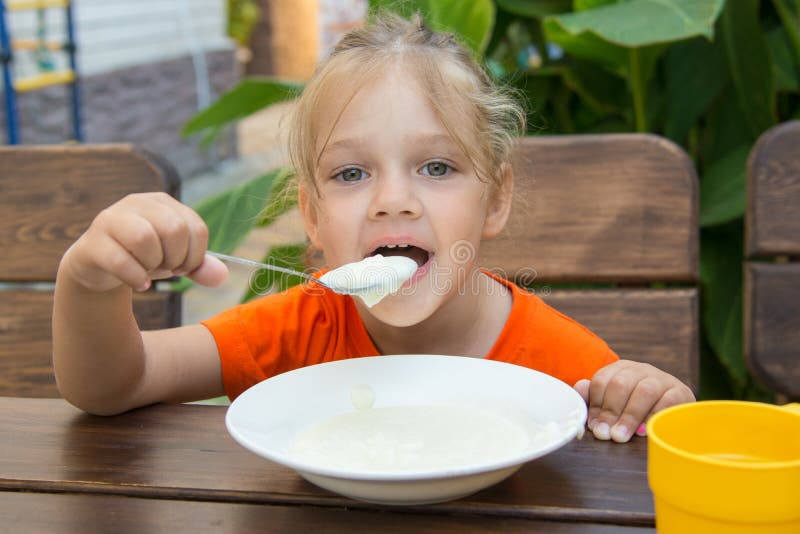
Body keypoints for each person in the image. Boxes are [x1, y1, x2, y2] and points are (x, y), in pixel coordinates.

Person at [53, 13, 694, 442]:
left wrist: (648, 402)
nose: (393, 200)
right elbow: (118, 384)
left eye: (436, 166)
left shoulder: (560, 366)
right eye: (352, 174)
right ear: (311, 216)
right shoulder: (297, 328)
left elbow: (640, 446)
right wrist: (88, 281)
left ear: (494, 202)